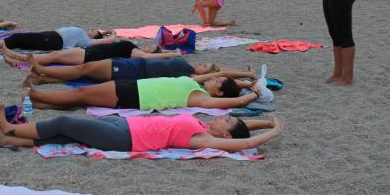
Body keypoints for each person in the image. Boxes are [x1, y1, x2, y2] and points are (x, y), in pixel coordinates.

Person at [0, 104, 283, 152]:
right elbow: (242, 129)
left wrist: (273, 133)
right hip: (126, 124)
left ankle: (8, 129)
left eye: (227, 121)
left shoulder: (203, 138)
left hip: (125, 138)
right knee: (65, 136)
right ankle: (7, 139)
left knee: (64, 123)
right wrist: (266, 121)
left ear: (225, 134)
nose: (223, 117)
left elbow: (243, 143)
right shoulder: (206, 123)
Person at [22, 73, 263, 111]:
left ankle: (36, 95)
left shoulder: (201, 97)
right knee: (82, 98)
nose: (214, 77)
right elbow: (229, 89)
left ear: (219, 92)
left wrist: (254, 93)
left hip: (135, 96)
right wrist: (244, 82)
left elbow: (233, 103)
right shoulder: (198, 84)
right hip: (136, 87)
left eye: (218, 80)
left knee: (81, 93)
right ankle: (42, 103)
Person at [24, 53, 256, 85]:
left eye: (205, 66)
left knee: (85, 69)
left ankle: (43, 70)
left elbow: (221, 75)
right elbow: (221, 71)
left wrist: (247, 77)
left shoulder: (188, 75)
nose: (201, 62)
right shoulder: (186, 67)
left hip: (133, 72)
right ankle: (42, 78)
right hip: (134, 66)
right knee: (87, 75)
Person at [0, 40, 182, 69]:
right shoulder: (134, 47)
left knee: (53, 57)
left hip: (88, 57)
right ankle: (17, 59)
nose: (148, 46)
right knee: (54, 55)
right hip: (89, 53)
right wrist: (168, 51)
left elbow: (149, 57)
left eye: (151, 47)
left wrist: (172, 53)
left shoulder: (137, 52)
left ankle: (17, 57)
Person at [0, 27, 113, 53]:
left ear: (93, 36)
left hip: (52, 40)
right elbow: (101, 33)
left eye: (93, 31)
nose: (91, 29)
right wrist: (105, 32)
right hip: (50, 35)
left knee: (17, 38)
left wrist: (111, 37)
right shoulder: (83, 34)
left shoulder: (86, 40)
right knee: (19, 40)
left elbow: (99, 41)